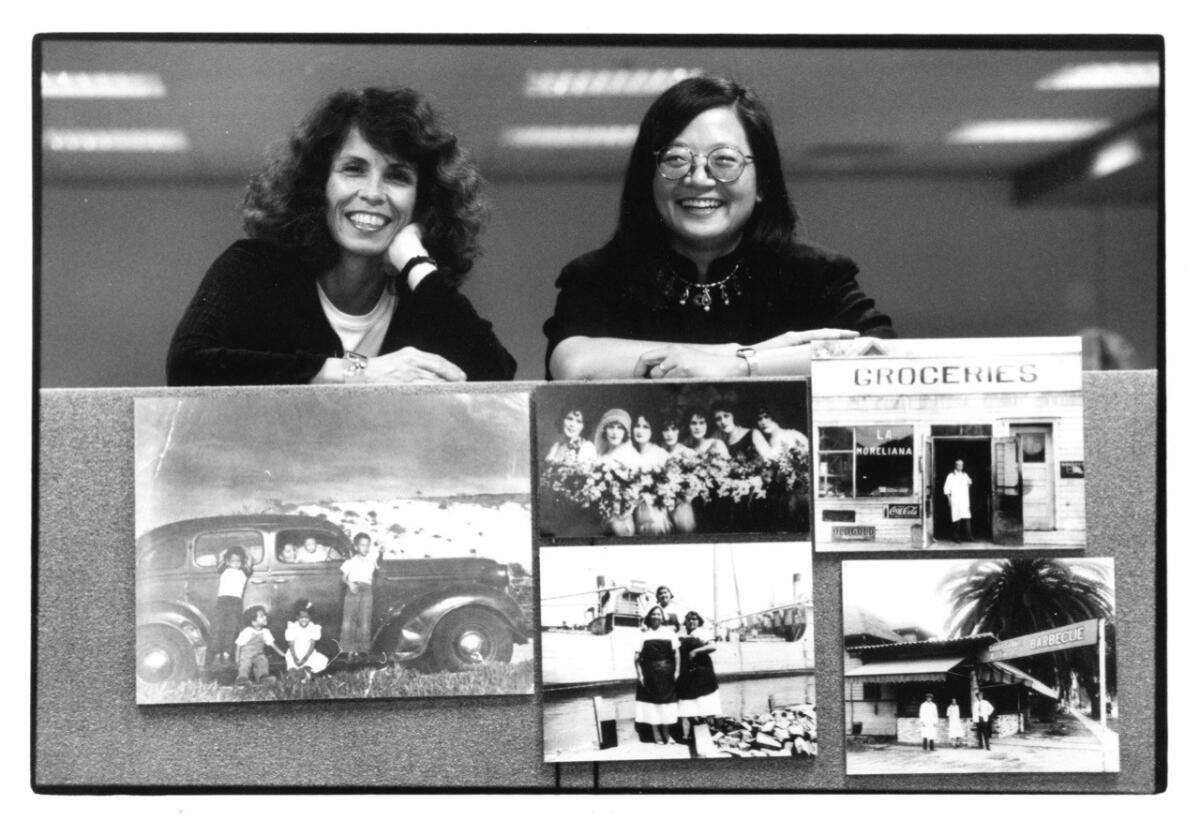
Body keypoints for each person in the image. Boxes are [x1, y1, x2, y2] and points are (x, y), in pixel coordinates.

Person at [543, 75, 893, 381]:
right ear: (647, 178)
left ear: (763, 183)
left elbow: (879, 357)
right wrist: (738, 352)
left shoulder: (817, 276)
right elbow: (573, 364)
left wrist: (743, 366)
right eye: (676, 159)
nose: (698, 179)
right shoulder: (597, 277)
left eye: (724, 160)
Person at [168, 87, 516, 386]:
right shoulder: (256, 269)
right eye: (354, 169)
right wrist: (361, 371)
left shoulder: (420, 297)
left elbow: (498, 379)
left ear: (422, 200)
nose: (373, 193)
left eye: (397, 177)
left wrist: (416, 261)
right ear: (320, 186)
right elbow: (189, 365)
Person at [634, 606, 680, 745]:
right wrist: (640, 675)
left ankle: (666, 732)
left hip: (667, 674)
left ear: (662, 617)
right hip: (649, 675)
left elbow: (677, 654)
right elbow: (636, 656)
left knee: (666, 703)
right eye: (653, 614)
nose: (656, 616)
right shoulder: (643, 635)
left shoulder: (669, 633)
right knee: (651, 704)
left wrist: (677, 671)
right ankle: (655, 732)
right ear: (649, 617)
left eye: (659, 614)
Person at [676, 611, 721, 741]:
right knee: (687, 700)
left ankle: (708, 730)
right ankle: (687, 734)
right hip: (687, 671)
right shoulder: (682, 635)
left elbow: (713, 646)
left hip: (702, 670)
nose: (691, 621)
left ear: (699, 621)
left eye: (694, 619)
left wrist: (696, 650)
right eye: (689, 619)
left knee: (705, 699)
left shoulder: (703, 632)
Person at [340, 533, 379, 662]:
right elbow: (343, 577)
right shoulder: (350, 561)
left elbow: (380, 562)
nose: (365, 548)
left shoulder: (372, 560)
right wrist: (349, 584)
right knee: (349, 619)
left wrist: (382, 551)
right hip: (353, 588)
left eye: (368, 545)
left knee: (365, 620)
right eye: (362, 545)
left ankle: (363, 651)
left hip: (367, 589)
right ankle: (347, 650)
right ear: (356, 547)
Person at [211, 546, 252, 666]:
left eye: (238, 561)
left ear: (242, 562)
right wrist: (226, 552)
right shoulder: (223, 569)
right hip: (222, 601)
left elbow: (249, 560)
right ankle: (217, 654)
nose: (235, 563)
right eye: (232, 561)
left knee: (232, 628)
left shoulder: (244, 572)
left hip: (235, 602)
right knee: (218, 627)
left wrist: (244, 550)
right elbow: (221, 560)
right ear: (228, 561)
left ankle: (228, 654)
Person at [234, 605, 285, 686]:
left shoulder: (266, 631)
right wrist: (237, 659)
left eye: (265, 615)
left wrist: (282, 654)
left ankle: (263, 677)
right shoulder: (247, 631)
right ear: (254, 622)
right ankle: (242, 678)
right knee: (245, 664)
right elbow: (238, 645)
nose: (265, 617)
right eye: (261, 616)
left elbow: (272, 644)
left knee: (263, 661)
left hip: (259, 654)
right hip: (247, 654)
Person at [284, 599, 329, 679]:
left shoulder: (313, 628)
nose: (304, 620)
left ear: (310, 616)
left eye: (307, 617)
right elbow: (291, 644)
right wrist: (295, 658)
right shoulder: (293, 627)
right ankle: (293, 673)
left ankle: (306, 672)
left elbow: (312, 645)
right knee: (292, 665)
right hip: (295, 651)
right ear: (296, 616)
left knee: (315, 662)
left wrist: (305, 658)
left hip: (308, 652)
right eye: (301, 617)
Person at [944, 459, 974, 543]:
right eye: (959, 465)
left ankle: (969, 536)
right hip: (955, 500)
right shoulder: (951, 475)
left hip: (964, 500)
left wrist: (968, 484)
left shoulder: (965, 475)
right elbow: (946, 489)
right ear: (955, 465)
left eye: (962, 465)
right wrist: (949, 500)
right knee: (956, 519)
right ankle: (956, 537)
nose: (960, 466)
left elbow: (970, 482)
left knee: (967, 517)